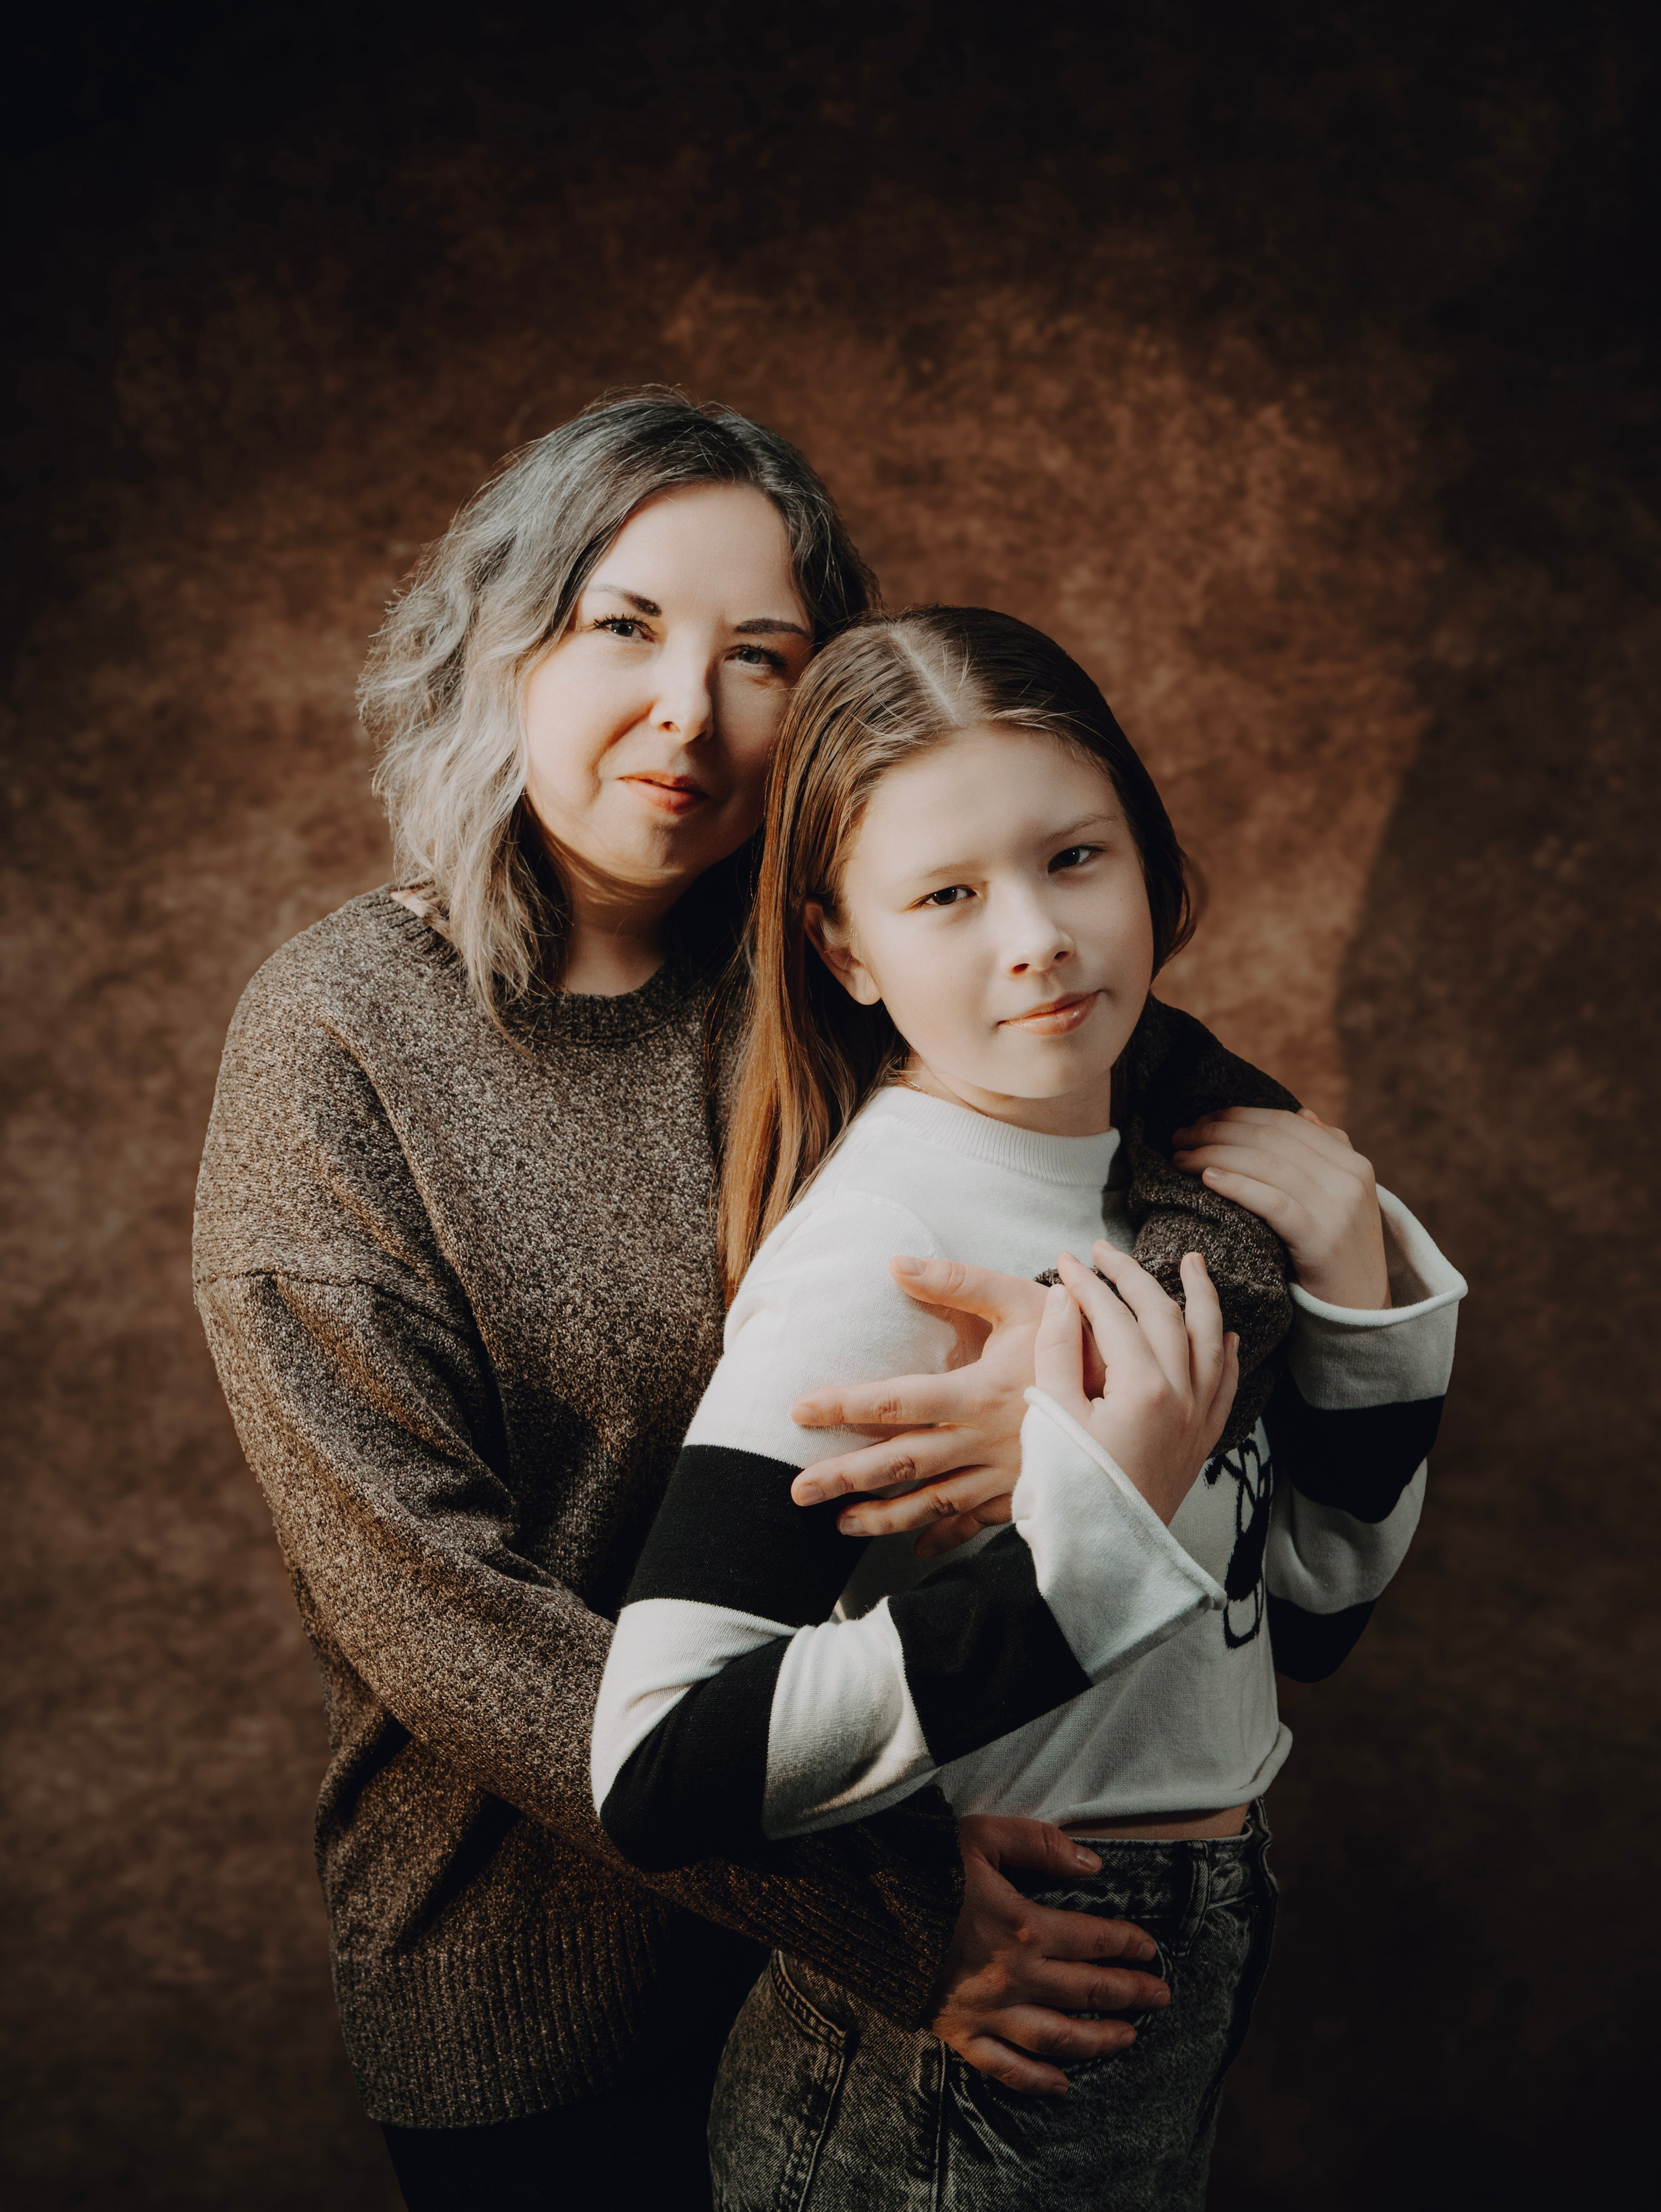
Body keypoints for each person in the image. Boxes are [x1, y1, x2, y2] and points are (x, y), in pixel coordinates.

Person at [193, 394, 1182, 2212]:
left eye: (762, 657)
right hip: (550, 1986)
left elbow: (1226, 1153)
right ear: (503, 640)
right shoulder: (336, 1040)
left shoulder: (854, 955)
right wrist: (886, 1905)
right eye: (626, 626)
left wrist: (1142, 1354)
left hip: (869, 1945)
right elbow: (438, 1612)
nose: (687, 709)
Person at [591, 605, 1467, 2209]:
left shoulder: (1175, 1167)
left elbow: (1314, 1606)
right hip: (953, 2076)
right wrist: (1091, 1529)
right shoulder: (885, 1254)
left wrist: (1349, 1271)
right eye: (945, 895)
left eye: (1073, 858)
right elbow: (659, 1770)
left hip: (1183, 1955)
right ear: (844, 947)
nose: (1035, 939)